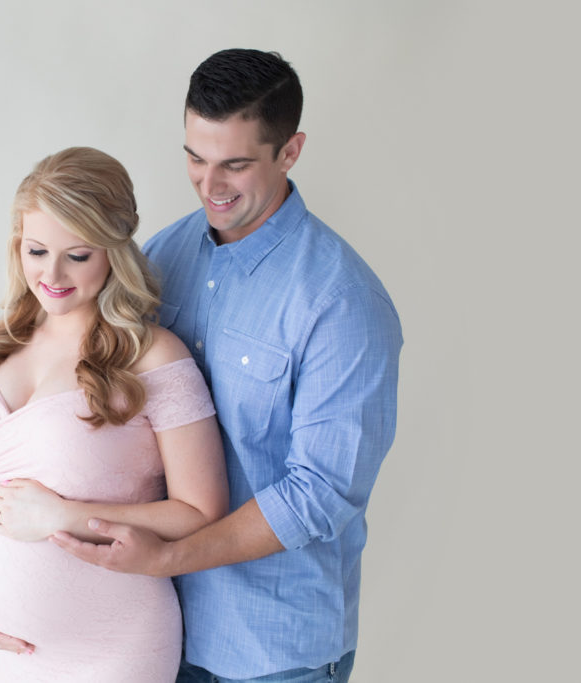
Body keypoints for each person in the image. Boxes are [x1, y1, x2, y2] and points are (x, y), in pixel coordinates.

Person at [50, 50, 403, 683]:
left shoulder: (342, 302)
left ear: (290, 151)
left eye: (235, 164)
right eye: (195, 157)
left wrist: (170, 557)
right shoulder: (162, 256)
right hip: (153, 630)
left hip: (272, 655)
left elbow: (318, 494)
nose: (210, 185)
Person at [0, 146, 229, 682]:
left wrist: (67, 516)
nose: (54, 274)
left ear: (115, 251)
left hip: (111, 648)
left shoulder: (154, 357)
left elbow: (201, 512)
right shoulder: (0, 345)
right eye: (37, 250)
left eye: (79, 255)